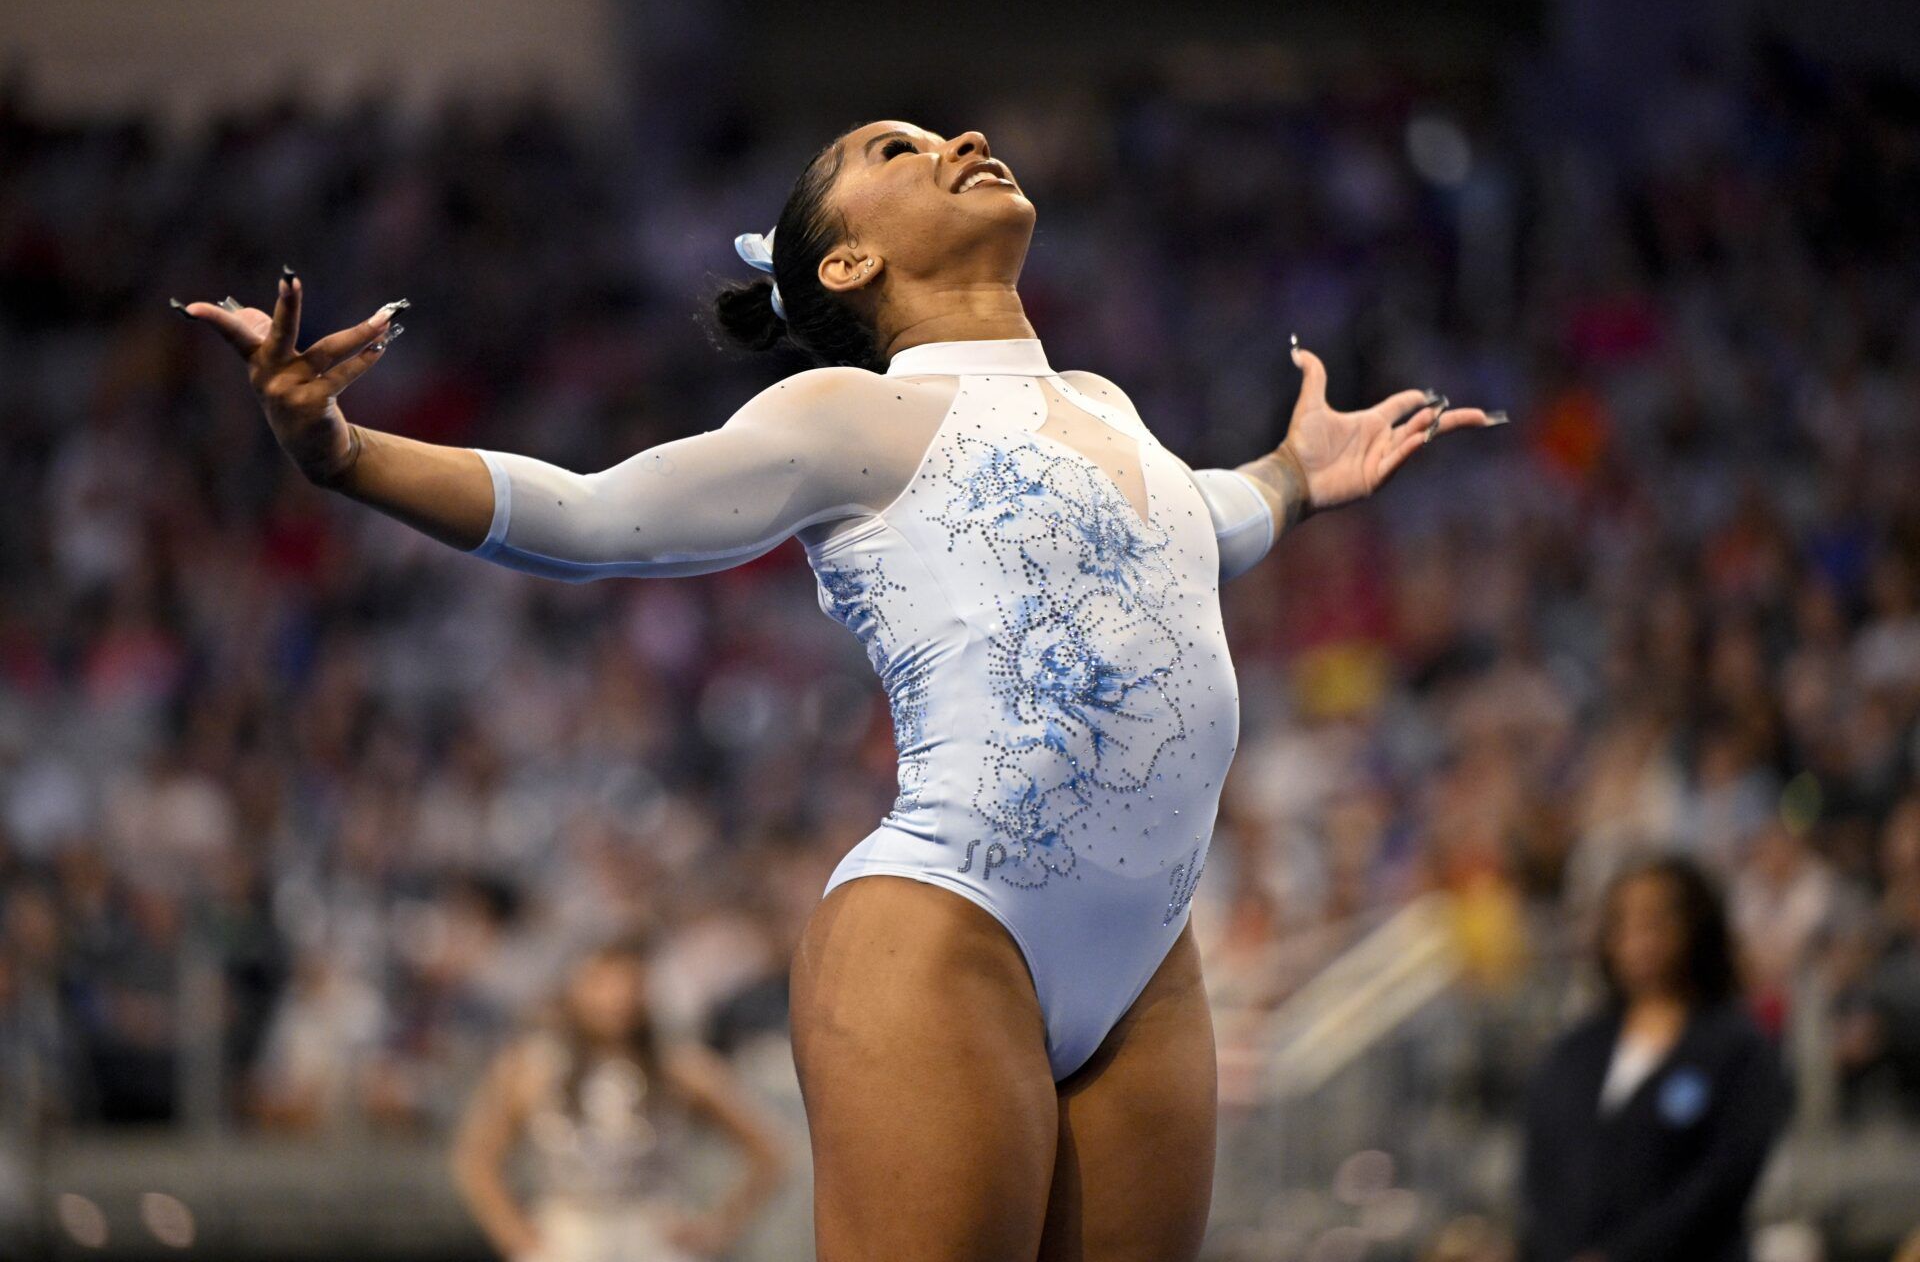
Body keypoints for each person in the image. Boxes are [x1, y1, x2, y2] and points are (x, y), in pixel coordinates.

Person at [179, 119, 1498, 1260]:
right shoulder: (844, 417)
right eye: (897, 151)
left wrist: (1293, 478)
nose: (958, 145)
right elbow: (588, 516)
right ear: (848, 261)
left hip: (1149, 964)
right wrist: (341, 451)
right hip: (946, 931)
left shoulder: (1102, 401)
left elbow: (1191, 519)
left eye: (943, 135)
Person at [1520, 855, 1791, 1262]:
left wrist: (1622, 1255)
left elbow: (1724, 1178)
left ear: (1695, 925)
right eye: (1623, 923)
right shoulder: (1576, 1048)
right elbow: (1541, 1167)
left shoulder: (1736, 1047)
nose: (1639, 940)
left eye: (1655, 921)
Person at [451, 938, 786, 1261]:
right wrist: (515, 1235)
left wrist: (718, 1227)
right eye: (601, 982)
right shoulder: (531, 1067)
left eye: (627, 983)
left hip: (652, 1237)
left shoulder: (678, 1067)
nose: (614, 998)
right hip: (565, 1235)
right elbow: (477, 1159)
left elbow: (769, 1151)